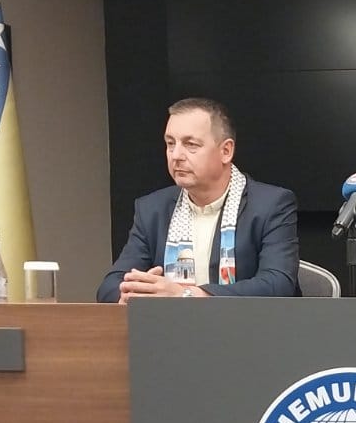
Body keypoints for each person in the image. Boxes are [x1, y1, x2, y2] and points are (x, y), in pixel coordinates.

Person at [97, 98, 299, 302]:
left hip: (248, 323)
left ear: (226, 151)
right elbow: (109, 286)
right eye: (170, 143)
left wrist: (187, 295)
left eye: (190, 144)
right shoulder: (152, 209)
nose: (176, 155)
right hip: (170, 323)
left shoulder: (271, 205)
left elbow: (278, 284)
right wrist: (131, 292)